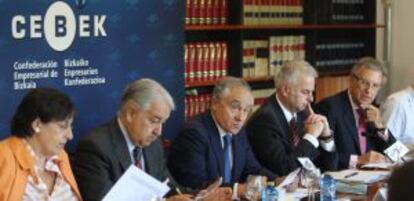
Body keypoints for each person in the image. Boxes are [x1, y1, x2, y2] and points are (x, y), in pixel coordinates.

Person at [71, 78, 229, 201]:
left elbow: (170, 189)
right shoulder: (95, 147)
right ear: (131, 113)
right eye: (154, 121)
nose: (158, 132)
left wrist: (200, 196)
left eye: (162, 123)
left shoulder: (152, 145)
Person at [168, 77, 283, 196]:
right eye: (235, 107)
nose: (240, 117)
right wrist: (237, 190)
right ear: (214, 103)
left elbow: (252, 169)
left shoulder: (238, 132)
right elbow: (196, 185)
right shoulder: (194, 134)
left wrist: (277, 180)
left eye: (246, 110)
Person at [245, 60, 337, 176]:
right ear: (285, 90)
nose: (311, 99)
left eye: (311, 92)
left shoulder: (303, 113)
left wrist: (326, 136)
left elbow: (330, 168)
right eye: (305, 92)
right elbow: (285, 170)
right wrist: (310, 137)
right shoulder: (264, 120)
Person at [0, 88, 81, 201]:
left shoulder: (60, 156)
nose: (70, 136)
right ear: (37, 124)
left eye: (71, 126)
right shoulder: (3, 157)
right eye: (63, 126)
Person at [317, 57, 396, 170]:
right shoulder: (330, 107)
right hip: (340, 181)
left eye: (375, 85)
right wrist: (358, 160)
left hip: (371, 179)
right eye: (364, 83)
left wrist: (381, 127)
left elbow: (397, 155)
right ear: (352, 80)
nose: (368, 91)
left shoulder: (374, 112)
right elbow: (322, 156)